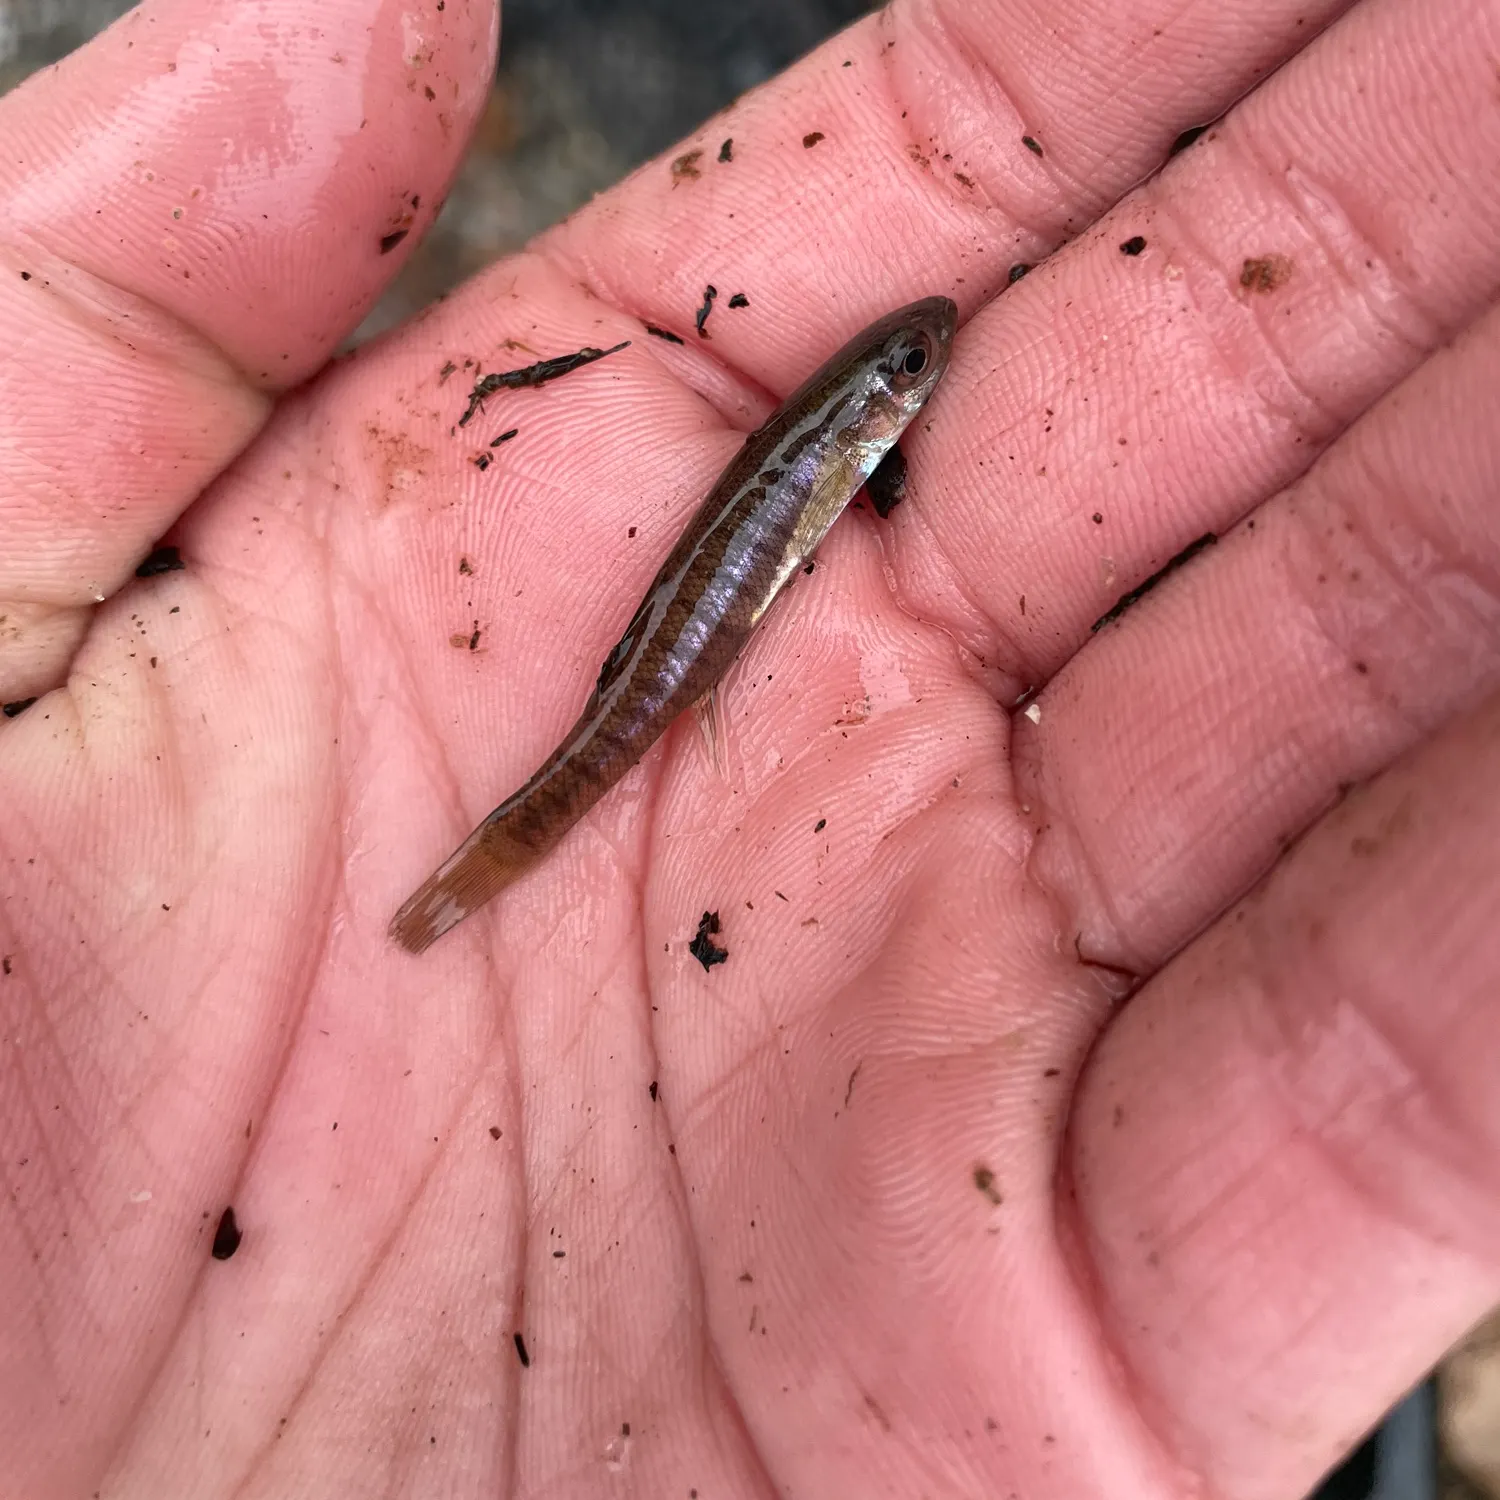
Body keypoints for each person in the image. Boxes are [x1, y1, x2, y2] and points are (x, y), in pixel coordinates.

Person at [1, 0, 1496, 1495]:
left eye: (907, 373)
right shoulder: (850, 426)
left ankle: (470, 880)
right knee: (608, 742)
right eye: (906, 374)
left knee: (619, 733)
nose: (918, 377)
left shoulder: (850, 430)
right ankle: (465, 883)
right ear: (877, 403)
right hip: (664, 669)